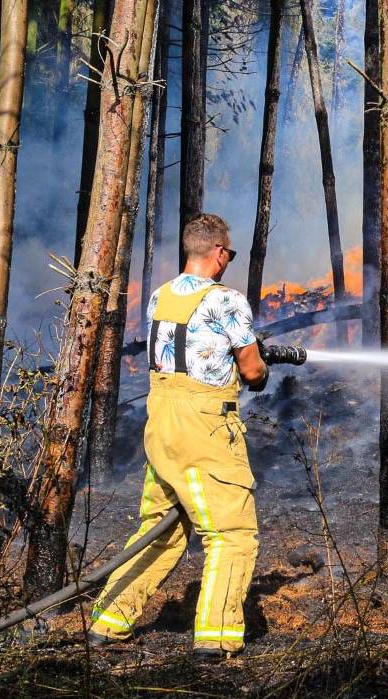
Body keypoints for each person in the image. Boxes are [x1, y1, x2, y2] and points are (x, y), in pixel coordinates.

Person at [88, 213, 268, 658]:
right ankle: (216, 638)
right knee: (232, 533)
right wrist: (261, 365)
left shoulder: (159, 297)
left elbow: (192, 352)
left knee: (161, 528)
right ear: (220, 253)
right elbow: (251, 372)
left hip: (162, 424)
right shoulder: (227, 301)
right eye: (230, 253)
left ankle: (109, 621)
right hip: (205, 427)